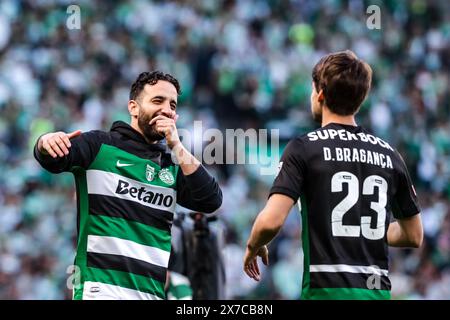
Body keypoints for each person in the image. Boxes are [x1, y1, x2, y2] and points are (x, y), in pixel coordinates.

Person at [243, 50, 423, 300]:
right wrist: (361, 225)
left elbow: (271, 221)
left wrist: (254, 245)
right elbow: (413, 235)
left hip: (326, 292)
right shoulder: (390, 155)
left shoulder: (304, 148)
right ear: (359, 100)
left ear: (320, 94)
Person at [34, 71, 223, 300]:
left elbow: (211, 200)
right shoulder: (100, 146)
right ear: (133, 107)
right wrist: (45, 143)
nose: (166, 109)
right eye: (157, 101)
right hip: (100, 292)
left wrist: (177, 146)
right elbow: (53, 158)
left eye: (172, 105)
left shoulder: (173, 165)